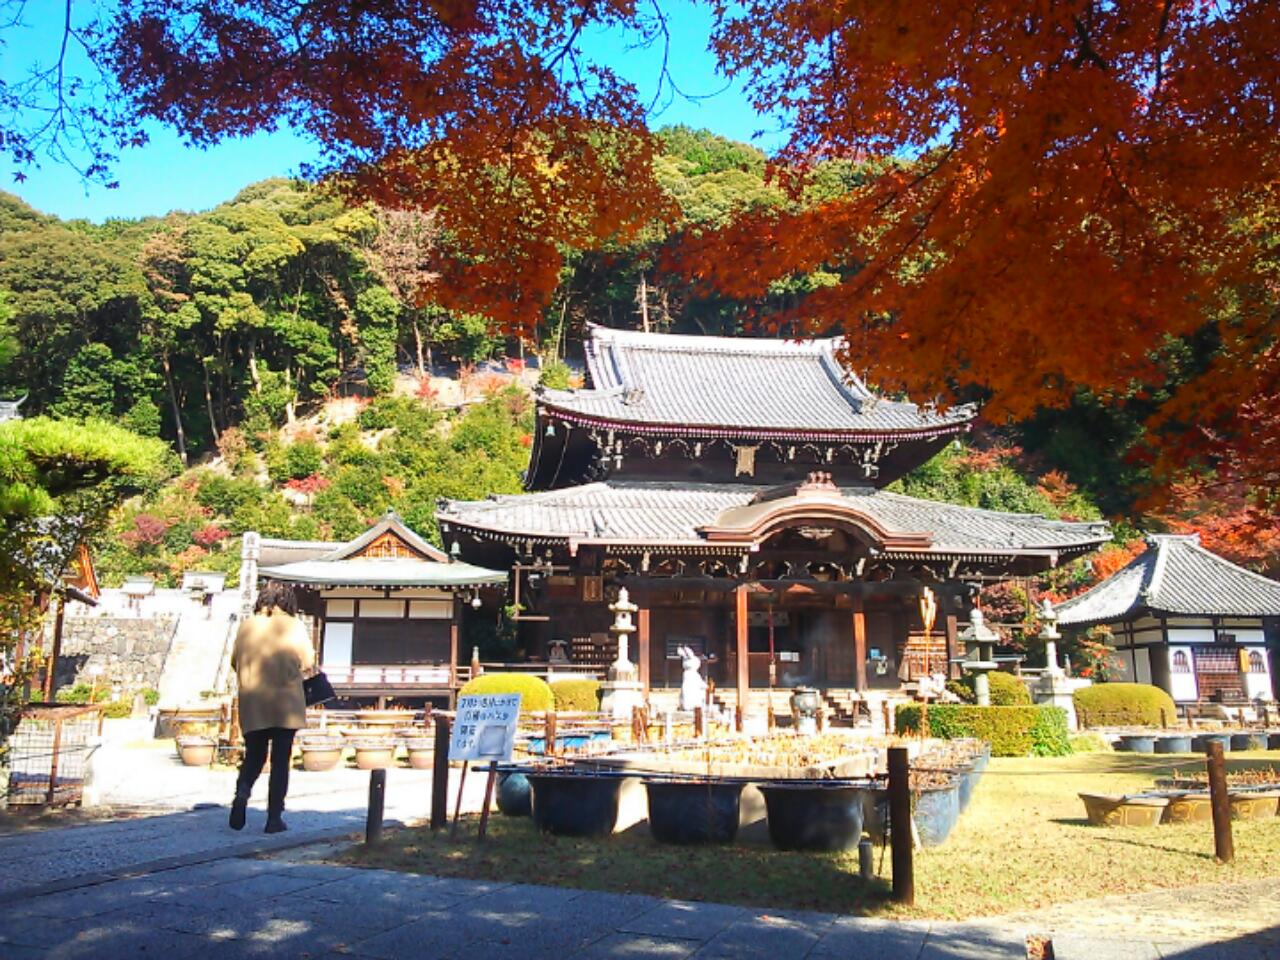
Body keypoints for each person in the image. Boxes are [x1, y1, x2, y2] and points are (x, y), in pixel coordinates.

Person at [229, 582, 315, 833]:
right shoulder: (292, 625)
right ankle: (274, 818)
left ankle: (242, 793)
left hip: (253, 699)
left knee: (254, 754)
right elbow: (308, 660)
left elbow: (235, 661)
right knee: (280, 759)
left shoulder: (247, 626)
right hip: (285, 701)